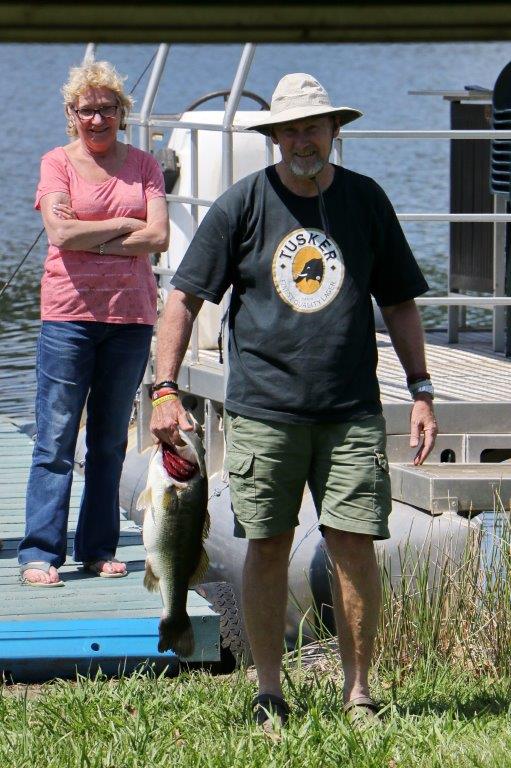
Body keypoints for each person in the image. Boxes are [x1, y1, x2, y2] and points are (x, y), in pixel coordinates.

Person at [150, 73, 437, 726]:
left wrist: (420, 390)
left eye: (312, 127)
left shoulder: (365, 201)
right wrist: (166, 389)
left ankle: (359, 692)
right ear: (273, 136)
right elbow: (183, 296)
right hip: (263, 413)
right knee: (268, 546)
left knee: (354, 546)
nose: (300, 139)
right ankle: (268, 691)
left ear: (334, 131)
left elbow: (398, 301)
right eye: (288, 129)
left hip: (350, 412)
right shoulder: (243, 204)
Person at [18, 60, 169, 586]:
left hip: (131, 318)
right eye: (87, 110)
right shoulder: (56, 163)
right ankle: (40, 551)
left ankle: (99, 547)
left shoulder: (145, 164)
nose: (97, 119)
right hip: (69, 316)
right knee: (56, 436)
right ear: (71, 114)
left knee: (108, 440)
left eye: (107, 108)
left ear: (121, 113)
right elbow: (59, 230)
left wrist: (95, 235)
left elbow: (159, 237)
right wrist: (124, 226)